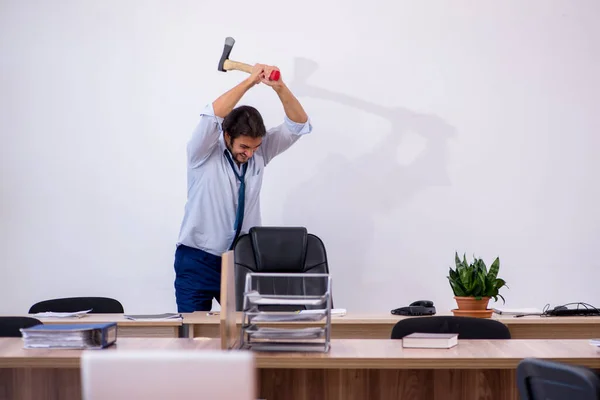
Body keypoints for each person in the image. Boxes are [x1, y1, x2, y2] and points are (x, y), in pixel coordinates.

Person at [173, 63, 312, 312]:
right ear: (227, 136)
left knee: (247, 333)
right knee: (193, 338)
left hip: (243, 259)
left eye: (255, 148)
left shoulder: (260, 151)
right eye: (244, 147)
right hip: (197, 260)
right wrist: (250, 81)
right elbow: (212, 114)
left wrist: (279, 87)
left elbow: (298, 124)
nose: (249, 154)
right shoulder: (202, 152)